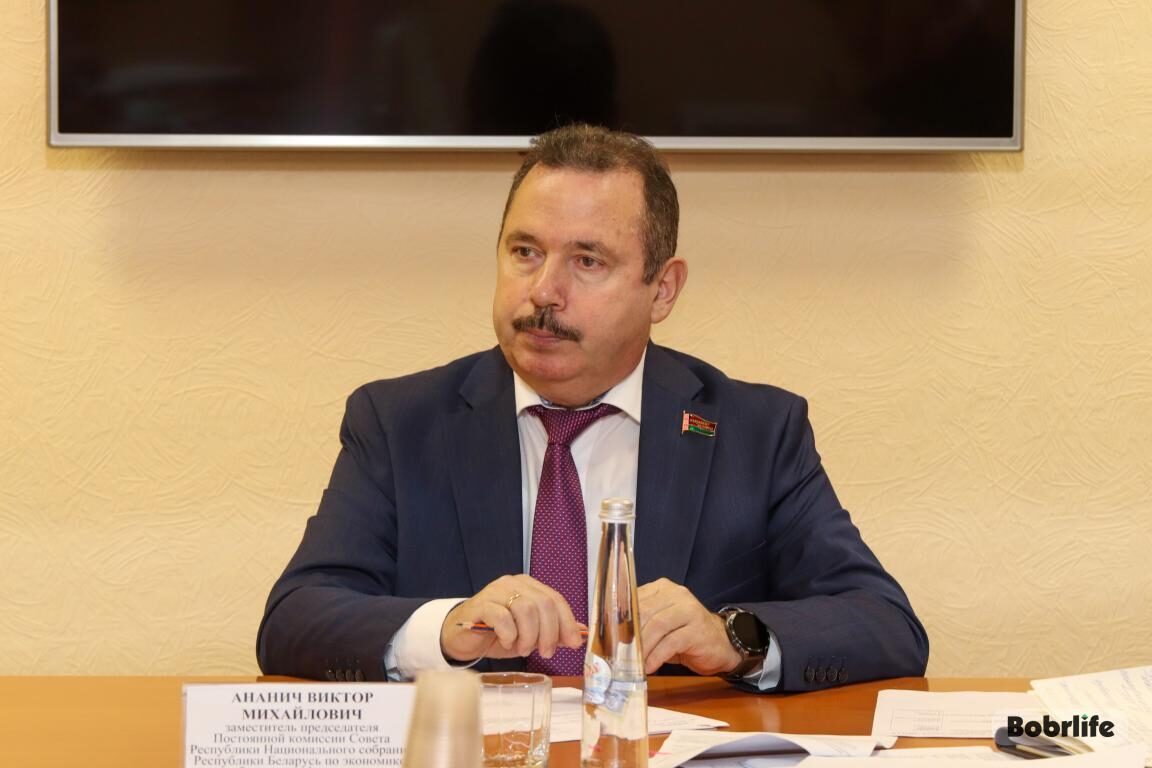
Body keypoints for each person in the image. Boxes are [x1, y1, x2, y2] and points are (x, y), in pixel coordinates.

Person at [257, 124, 928, 691]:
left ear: (662, 290)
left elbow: (886, 624)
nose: (543, 291)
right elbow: (295, 619)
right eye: (525, 252)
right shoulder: (400, 422)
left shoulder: (755, 431)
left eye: (587, 261)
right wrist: (446, 627)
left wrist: (734, 637)